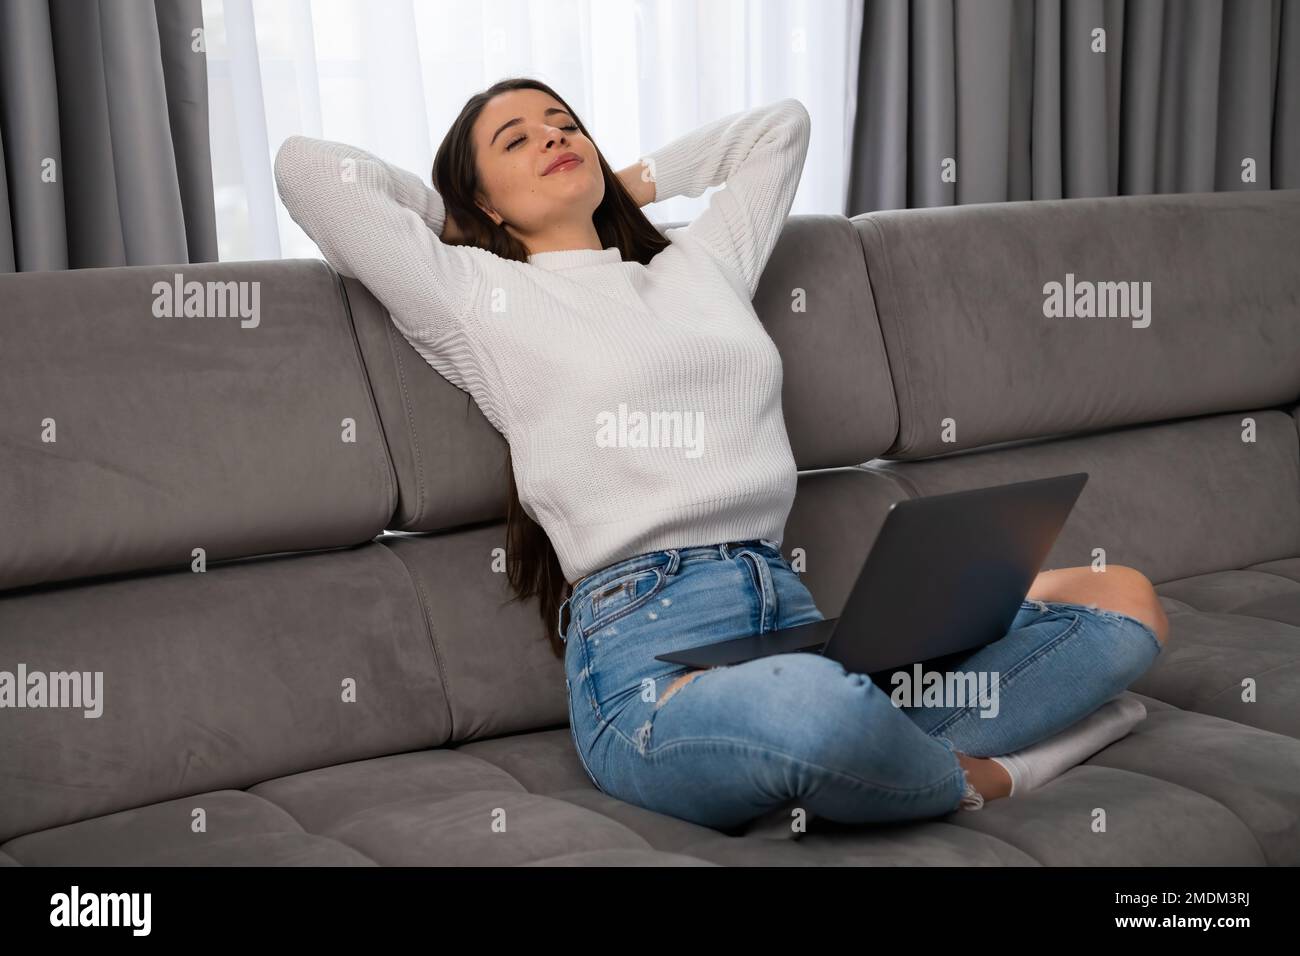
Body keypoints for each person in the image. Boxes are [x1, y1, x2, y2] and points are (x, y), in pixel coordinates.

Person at [273, 76, 1170, 833]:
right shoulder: (476, 298)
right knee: (813, 710)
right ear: (484, 200)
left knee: (1124, 603)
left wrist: (624, 182)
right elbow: (308, 171)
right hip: (647, 671)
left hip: (791, 617)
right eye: (516, 140)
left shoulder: (697, 271)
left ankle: (878, 749)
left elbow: (780, 129)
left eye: (566, 124)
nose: (554, 137)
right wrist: (456, 220)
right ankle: (988, 773)